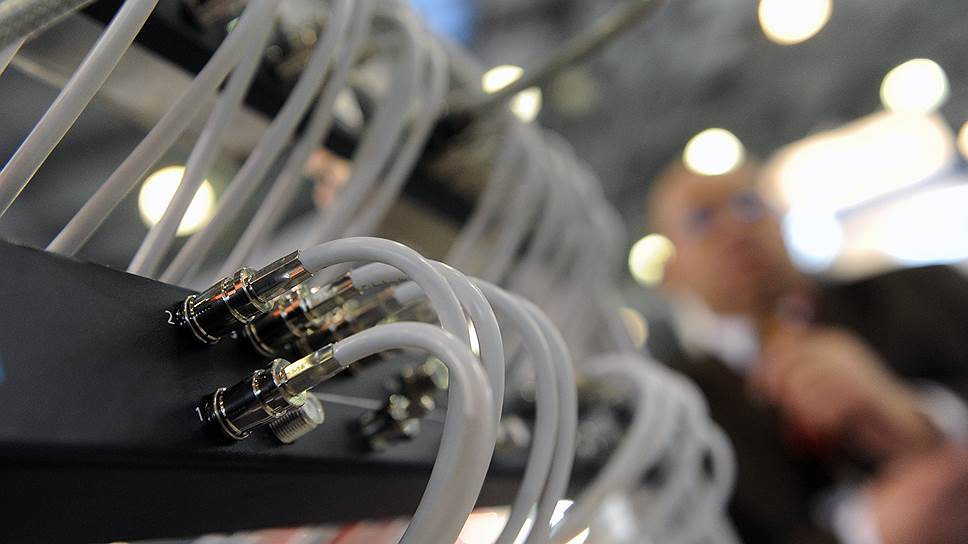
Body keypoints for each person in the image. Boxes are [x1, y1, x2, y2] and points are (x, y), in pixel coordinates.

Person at [644, 158, 968, 544]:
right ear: (670, 271)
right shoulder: (675, 415)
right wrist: (864, 532)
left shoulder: (921, 292)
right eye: (701, 220)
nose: (736, 228)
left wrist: (925, 418)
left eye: (749, 205)